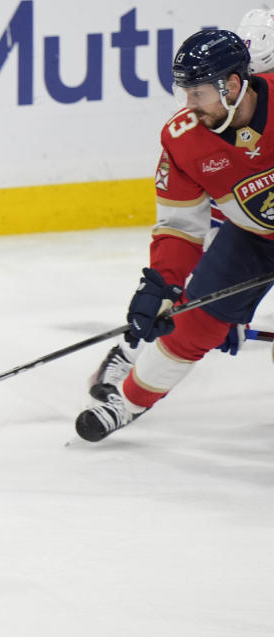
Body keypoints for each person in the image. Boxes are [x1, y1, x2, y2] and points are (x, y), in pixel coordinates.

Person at [76, 29, 274, 442]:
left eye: (198, 93)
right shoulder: (184, 141)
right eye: (185, 93)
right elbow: (179, 227)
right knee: (193, 322)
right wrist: (161, 283)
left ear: (233, 85)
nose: (189, 105)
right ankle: (127, 403)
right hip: (252, 238)